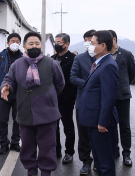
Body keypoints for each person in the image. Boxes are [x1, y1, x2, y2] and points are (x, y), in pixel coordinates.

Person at [1, 31, 65, 176]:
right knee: (27, 146)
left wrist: (49, 97)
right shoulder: (17, 65)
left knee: (47, 146)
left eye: (37, 43)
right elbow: (9, 80)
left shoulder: (51, 63)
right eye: (31, 44)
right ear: (24, 46)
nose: (34, 46)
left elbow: (60, 84)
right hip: (25, 112)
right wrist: (6, 87)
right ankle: (31, 171)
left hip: (47, 113)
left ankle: (46, 172)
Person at [79, 30, 119, 176]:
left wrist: (102, 122)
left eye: (93, 43)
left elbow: (109, 97)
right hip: (93, 121)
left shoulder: (108, 65)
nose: (89, 46)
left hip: (102, 125)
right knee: (100, 162)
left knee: (105, 164)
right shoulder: (99, 63)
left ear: (103, 46)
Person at [0, 33, 23, 154]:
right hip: (3, 94)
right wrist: (1, 86)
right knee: (3, 121)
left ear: (20, 43)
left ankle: (15, 143)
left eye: (17, 41)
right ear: (8, 43)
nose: (15, 43)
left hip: (18, 94)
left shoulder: (23, 58)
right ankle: (4, 144)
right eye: (12, 41)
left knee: (17, 119)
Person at [70, 29, 96, 174]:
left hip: (100, 102)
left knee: (99, 132)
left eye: (92, 39)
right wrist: (88, 83)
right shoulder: (78, 59)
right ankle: (86, 161)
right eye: (87, 39)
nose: (89, 42)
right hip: (83, 101)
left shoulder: (105, 58)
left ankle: (98, 160)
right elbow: (73, 77)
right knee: (84, 133)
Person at [108, 30, 135, 166]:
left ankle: (127, 153)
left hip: (123, 96)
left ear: (114, 39)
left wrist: (123, 85)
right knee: (110, 125)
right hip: (107, 97)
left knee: (124, 126)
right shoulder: (104, 55)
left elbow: (131, 74)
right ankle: (115, 149)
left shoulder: (126, 54)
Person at [51, 33, 77, 164]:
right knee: (53, 127)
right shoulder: (52, 58)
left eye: (59, 42)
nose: (56, 44)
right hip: (52, 100)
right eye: (55, 41)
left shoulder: (73, 59)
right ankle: (56, 151)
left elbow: (74, 80)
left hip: (66, 99)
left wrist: (71, 96)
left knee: (68, 126)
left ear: (66, 44)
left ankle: (69, 152)